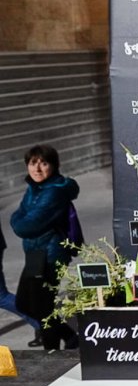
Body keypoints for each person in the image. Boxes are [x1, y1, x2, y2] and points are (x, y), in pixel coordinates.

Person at [11, 145, 79, 350]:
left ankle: (51, 351)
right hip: (35, 254)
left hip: (51, 255)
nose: (37, 169)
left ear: (54, 166)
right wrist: (19, 219)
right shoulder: (34, 187)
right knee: (24, 303)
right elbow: (20, 215)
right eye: (33, 163)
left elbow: (25, 225)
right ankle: (69, 336)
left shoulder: (54, 191)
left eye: (44, 163)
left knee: (42, 307)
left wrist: (18, 220)